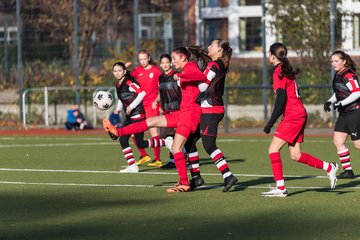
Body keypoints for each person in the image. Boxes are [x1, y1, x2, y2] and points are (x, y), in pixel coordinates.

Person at [103, 46, 208, 193]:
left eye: (174, 58)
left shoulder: (189, 67)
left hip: (190, 114)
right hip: (182, 112)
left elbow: (202, 77)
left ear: (183, 58)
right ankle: (118, 131)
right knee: (151, 122)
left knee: (177, 148)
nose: (172, 62)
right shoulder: (183, 69)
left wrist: (182, 77)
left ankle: (184, 183)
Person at [261, 42, 339, 197]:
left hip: (293, 115)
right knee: (295, 155)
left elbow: (281, 98)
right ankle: (329, 167)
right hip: (298, 113)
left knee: (273, 150)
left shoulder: (278, 72)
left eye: (268, 53)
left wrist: (270, 123)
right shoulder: (284, 70)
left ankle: (281, 189)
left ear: (272, 55)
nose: (267, 56)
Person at [186, 39, 238, 192]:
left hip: (211, 110)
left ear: (220, 50)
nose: (209, 47)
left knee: (209, 145)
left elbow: (202, 86)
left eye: (212, 45)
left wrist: (189, 77)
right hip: (209, 108)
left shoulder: (213, 65)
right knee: (189, 142)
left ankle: (228, 176)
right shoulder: (216, 64)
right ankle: (196, 177)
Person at [323, 50, 360, 179]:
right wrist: (330, 101)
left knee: (358, 144)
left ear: (344, 61)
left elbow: (357, 92)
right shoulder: (338, 74)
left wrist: (341, 103)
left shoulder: (349, 74)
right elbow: (339, 92)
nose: (334, 63)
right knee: (338, 141)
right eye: (332, 61)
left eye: (336, 61)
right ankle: (348, 171)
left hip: (355, 111)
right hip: (344, 113)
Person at [111, 61, 147, 173]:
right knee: (123, 140)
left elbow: (142, 93)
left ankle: (165, 142)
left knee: (139, 142)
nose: (117, 73)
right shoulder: (118, 85)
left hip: (138, 115)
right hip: (129, 117)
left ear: (125, 71)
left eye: (119, 70)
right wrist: (118, 108)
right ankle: (132, 166)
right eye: (115, 71)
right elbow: (122, 99)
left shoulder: (129, 82)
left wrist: (131, 106)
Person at [131, 49, 163, 167]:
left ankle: (157, 159)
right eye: (140, 59)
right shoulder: (137, 70)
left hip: (152, 105)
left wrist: (157, 101)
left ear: (149, 58)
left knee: (153, 131)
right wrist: (124, 68)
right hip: (140, 105)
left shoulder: (155, 70)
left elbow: (161, 88)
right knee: (134, 132)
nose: (143, 61)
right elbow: (128, 79)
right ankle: (144, 155)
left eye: (144, 59)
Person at [157, 53, 182, 169]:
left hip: (177, 109)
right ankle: (182, 153)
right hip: (166, 109)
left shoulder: (176, 75)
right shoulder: (160, 77)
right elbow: (161, 93)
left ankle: (174, 160)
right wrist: (161, 106)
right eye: (162, 63)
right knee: (163, 136)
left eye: (167, 62)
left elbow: (182, 91)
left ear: (171, 63)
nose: (165, 65)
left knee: (173, 136)